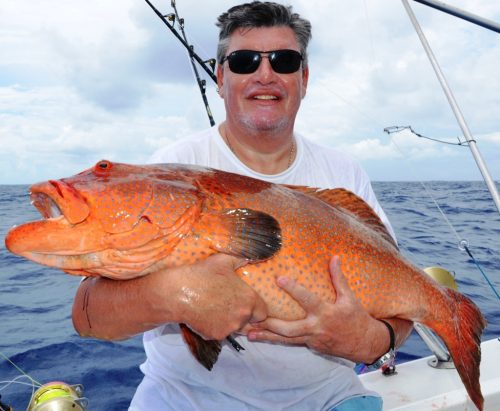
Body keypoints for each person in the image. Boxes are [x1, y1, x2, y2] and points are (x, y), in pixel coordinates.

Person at [72, 2, 413, 410]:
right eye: (244, 61)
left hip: (329, 398)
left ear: (304, 79)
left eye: (284, 61)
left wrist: (372, 340)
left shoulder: (344, 172)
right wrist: (175, 294)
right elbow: (87, 315)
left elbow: (404, 293)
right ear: (220, 77)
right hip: (187, 400)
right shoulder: (171, 171)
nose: (264, 74)